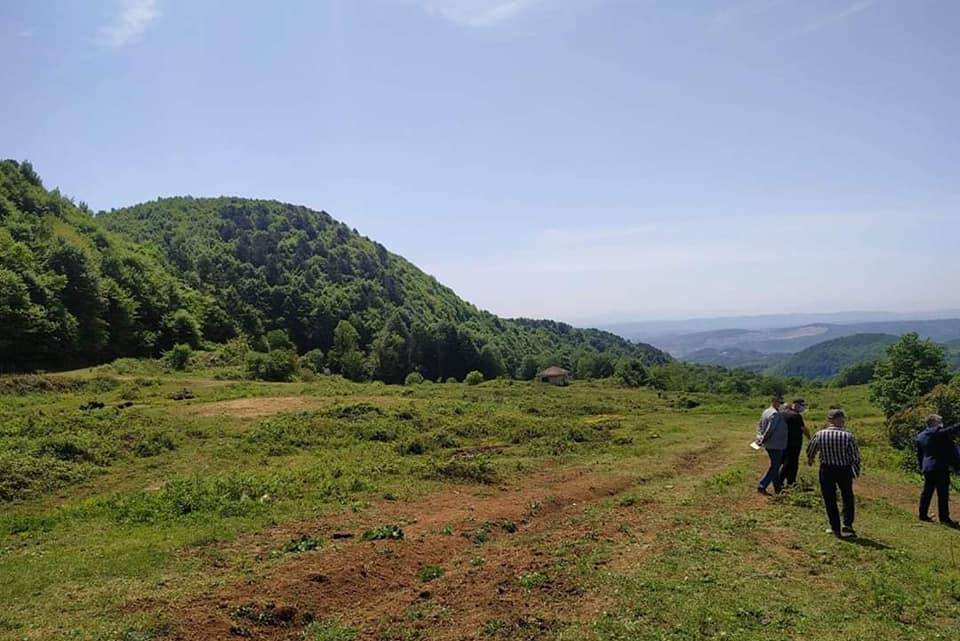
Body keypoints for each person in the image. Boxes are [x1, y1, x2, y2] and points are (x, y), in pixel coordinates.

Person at [806, 408, 861, 538]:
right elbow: (855, 457)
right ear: (842, 419)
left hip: (826, 469)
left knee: (829, 498)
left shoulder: (820, 434)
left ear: (829, 420)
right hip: (844, 469)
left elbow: (811, 450)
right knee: (847, 496)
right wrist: (855, 471)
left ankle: (835, 527)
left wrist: (811, 459)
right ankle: (847, 525)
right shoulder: (848, 436)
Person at [916, 414, 960, 526]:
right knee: (943, 493)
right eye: (940, 422)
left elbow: (920, 455)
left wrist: (921, 467)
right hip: (940, 467)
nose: (942, 424)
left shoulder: (920, 436)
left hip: (927, 468)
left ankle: (922, 514)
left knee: (927, 491)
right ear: (934, 423)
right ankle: (944, 518)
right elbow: (954, 428)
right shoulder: (939, 433)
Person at [755, 395, 788, 495]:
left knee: (775, 466)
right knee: (775, 466)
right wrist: (763, 439)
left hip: (770, 443)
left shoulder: (766, 411)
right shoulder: (775, 414)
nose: (781, 404)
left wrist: (759, 437)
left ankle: (778, 488)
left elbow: (759, 425)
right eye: (779, 402)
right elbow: (770, 429)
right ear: (773, 401)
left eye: (782, 403)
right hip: (775, 444)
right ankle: (762, 485)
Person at [778, 398, 811, 487]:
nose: (803, 408)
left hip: (782, 442)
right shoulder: (796, 416)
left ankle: (790, 482)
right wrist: (810, 438)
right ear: (797, 405)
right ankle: (781, 481)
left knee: (785, 462)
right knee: (791, 463)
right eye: (802, 406)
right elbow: (803, 429)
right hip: (794, 443)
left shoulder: (782, 412)